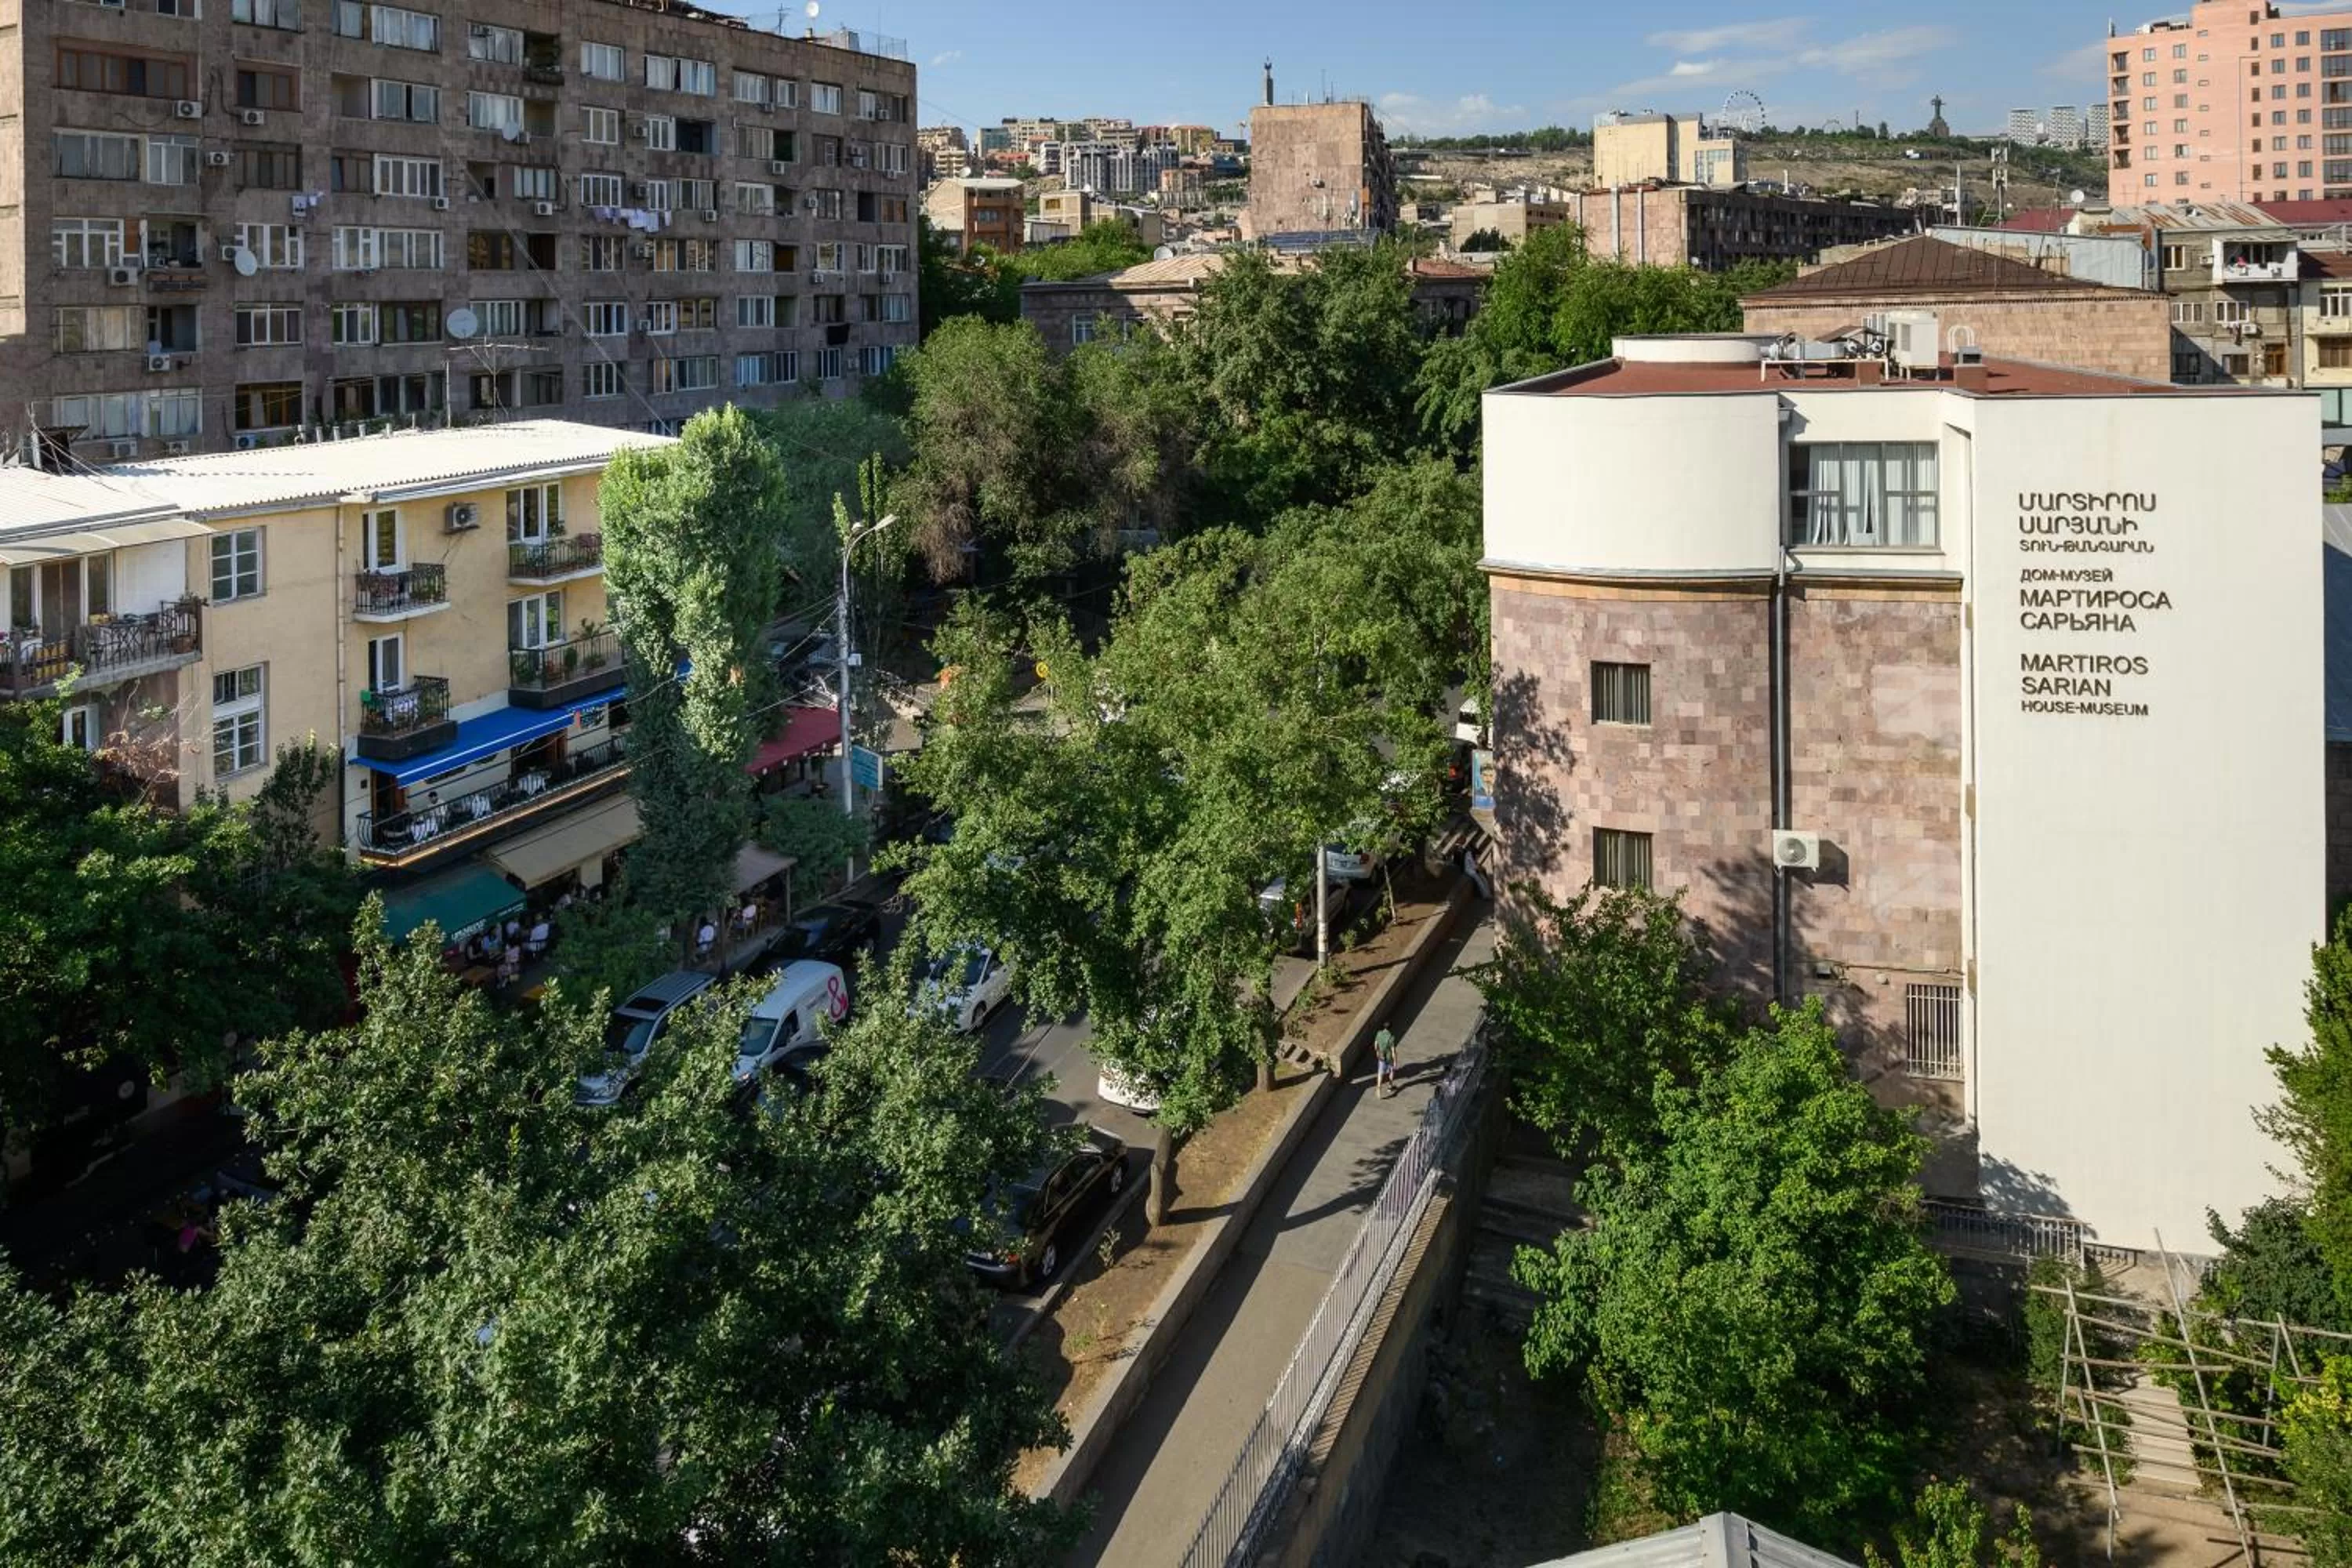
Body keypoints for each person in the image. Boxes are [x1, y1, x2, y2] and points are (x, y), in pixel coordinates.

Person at [1372, 1024, 1398, 1097]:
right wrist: (1395, 1061)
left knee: (1380, 1073)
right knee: (1391, 1071)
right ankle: (1390, 1087)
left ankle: (1379, 1088)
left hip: (1381, 1057)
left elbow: (1375, 1045)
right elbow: (1393, 1051)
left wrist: (1377, 1052)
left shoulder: (1379, 1033)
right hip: (1389, 1057)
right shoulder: (1391, 1037)